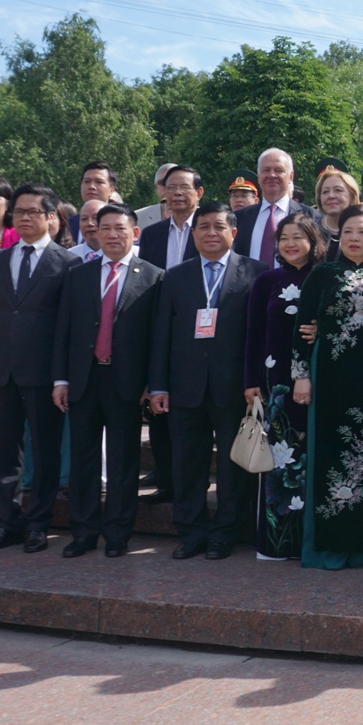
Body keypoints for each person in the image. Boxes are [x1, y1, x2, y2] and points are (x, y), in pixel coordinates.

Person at [147, 202, 262, 560]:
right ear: (193, 234)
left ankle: (224, 533)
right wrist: (159, 385)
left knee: (232, 468)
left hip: (234, 387)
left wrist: (255, 380)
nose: (211, 233)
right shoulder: (176, 276)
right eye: (204, 227)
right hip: (185, 386)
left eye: (218, 226)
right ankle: (192, 532)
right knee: (188, 464)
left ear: (234, 233)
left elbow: (258, 334)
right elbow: (161, 334)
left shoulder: (255, 273)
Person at [0, 183, 81, 554]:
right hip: (2, 372)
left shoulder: (68, 263)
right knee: (5, 453)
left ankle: (38, 524)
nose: (25, 218)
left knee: (45, 452)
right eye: (19, 212)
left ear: (51, 217)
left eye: (33, 212)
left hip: (45, 375)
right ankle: (8, 523)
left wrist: (62, 376)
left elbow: (69, 327)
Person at [52, 204, 162, 559]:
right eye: (106, 228)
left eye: (120, 228)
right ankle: (83, 532)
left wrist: (153, 382)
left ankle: (117, 533)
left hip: (126, 382)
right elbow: (63, 332)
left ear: (135, 233)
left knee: (123, 461)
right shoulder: (78, 274)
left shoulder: (153, 276)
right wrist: (61, 379)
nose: (113, 235)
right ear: (95, 233)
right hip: (84, 379)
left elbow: (157, 338)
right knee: (83, 461)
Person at [291, 205, 363, 568]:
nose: (354, 238)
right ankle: (326, 547)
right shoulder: (323, 275)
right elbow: (303, 328)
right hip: (328, 378)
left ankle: (361, 546)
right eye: (348, 231)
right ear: (339, 236)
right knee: (328, 455)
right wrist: (301, 375)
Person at [245, 213, 325, 559]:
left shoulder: (325, 278)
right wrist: (250, 381)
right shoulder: (266, 281)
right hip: (273, 384)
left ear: (313, 241)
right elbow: (252, 335)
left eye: (299, 237)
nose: (291, 244)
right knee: (278, 464)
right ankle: (277, 543)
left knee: (311, 463)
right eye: (285, 238)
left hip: (317, 384)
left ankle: (310, 541)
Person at [235, 148, 310, 269]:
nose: (272, 175)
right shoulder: (239, 218)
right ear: (259, 176)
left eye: (279, 170)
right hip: (249, 287)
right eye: (266, 170)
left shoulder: (311, 217)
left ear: (291, 176)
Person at [139, 165, 205, 270]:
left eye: (185, 187)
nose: (177, 193)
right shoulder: (150, 234)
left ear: (199, 193)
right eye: (172, 187)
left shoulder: (210, 231)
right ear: (164, 193)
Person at [311, 161, 362, 246]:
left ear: (352, 196)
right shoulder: (311, 230)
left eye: (338, 190)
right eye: (325, 191)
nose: (331, 196)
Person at [135, 164, 174, 229]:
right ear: (157, 187)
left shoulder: (196, 216)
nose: (168, 186)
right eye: (163, 182)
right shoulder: (137, 218)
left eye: (174, 182)